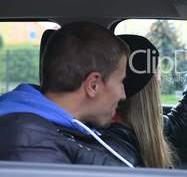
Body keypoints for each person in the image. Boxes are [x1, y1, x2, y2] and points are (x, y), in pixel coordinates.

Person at [0, 22, 135, 166]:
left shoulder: (71, 129)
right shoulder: (29, 141)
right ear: (93, 85)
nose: (123, 95)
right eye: (121, 82)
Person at [101, 34, 187, 168]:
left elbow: (175, 123)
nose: (160, 77)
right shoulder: (119, 146)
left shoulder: (137, 125)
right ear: (145, 82)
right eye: (157, 69)